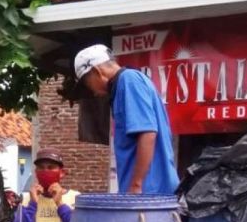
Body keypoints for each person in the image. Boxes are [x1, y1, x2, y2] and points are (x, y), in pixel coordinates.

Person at [74, 44, 179, 195]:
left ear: (97, 71)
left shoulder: (128, 81)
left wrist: (136, 185)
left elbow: (147, 133)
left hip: (148, 194)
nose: (92, 92)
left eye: (87, 83)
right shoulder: (127, 83)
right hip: (149, 193)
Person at [9, 149, 78, 222]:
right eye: (41, 168)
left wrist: (60, 204)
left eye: (51, 168)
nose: (46, 172)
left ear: (62, 173)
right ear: (36, 172)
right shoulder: (27, 199)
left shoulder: (75, 198)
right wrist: (32, 204)